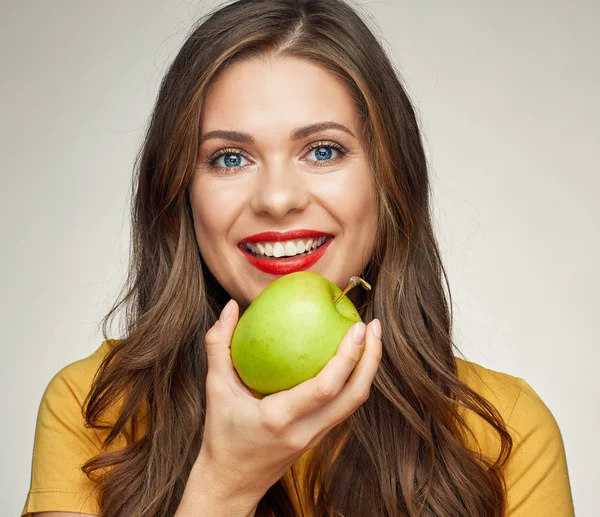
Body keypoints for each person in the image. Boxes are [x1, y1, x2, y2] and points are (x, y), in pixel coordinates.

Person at [21, 1, 575, 516]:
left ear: (388, 178)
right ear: (179, 191)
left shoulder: (505, 431)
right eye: (231, 157)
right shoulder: (93, 409)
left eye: (323, 150)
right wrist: (223, 484)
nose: (277, 198)